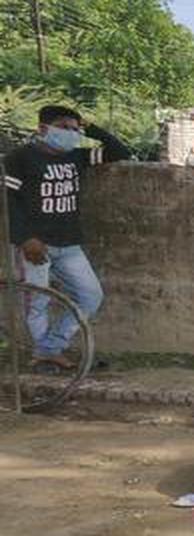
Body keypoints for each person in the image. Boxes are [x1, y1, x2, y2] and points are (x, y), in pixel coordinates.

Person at [4, 105, 131, 370]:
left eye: (75, 129)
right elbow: (7, 200)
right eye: (65, 127)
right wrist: (25, 238)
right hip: (34, 245)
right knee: (37, 302)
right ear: (43, 129)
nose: (72, 133)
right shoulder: (20, 158)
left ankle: (49, 349)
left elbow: (120, 151)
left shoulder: (76, 156)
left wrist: (88, 127)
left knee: (90, 295)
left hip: (69, 243)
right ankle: (43, 361)